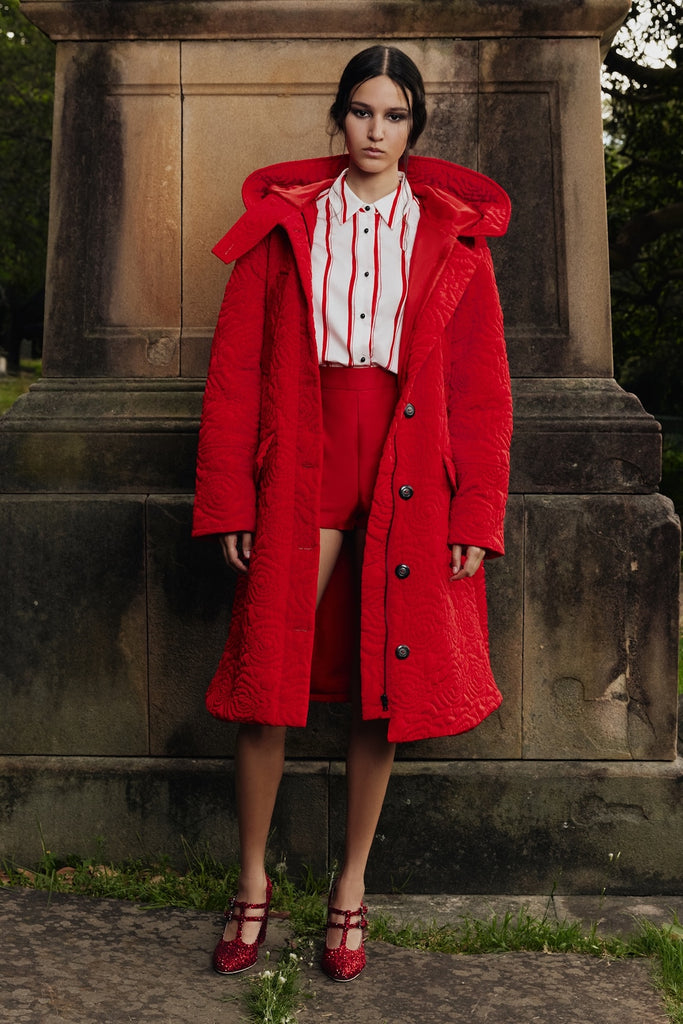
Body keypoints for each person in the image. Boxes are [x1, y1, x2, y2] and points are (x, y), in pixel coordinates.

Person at [193, 44, 512, 983]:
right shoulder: (283, 229)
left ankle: (349, 888)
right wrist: (229, 498)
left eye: (394, 116)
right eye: (361, 112)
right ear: (338, 118)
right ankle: (250, 882)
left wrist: (474, 516)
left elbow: (482, 390)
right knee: (269, 672)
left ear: (414, 128)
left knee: (387, 676)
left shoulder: (449, 238)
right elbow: (234, 374)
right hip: (302, 454)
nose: (375, 131)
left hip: (413, 460)